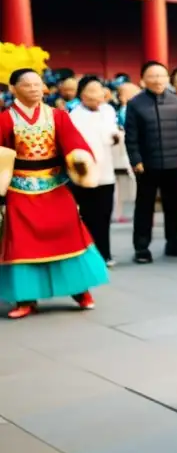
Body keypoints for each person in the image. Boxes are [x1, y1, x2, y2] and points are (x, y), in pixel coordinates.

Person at [0, 68, 108, 318]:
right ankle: (25, 298)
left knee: (69, 236)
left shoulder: (58, 116)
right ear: (14, 89)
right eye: (28, 85)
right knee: (22, 244)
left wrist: (79, 160)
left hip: (55, 186)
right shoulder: (5, 120)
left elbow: (74, 143)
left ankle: (80, 290)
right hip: (19, 188)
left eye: (38, 84)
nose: (35, 89)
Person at [124, 61, 177, 263]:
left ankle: (173, 241)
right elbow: (131, 137)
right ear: (143, 79)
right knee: (144, 207)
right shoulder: (136, 104)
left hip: (173, 164)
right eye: (153, 76)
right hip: (147, 165)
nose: (157, 80)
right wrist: (135, 160)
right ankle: (141, 247)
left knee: (173, 206)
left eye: (161, 76)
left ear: (167, 79)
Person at [69, 76, 121, 265]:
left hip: (106, 172)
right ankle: (87, 255)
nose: (97, 94)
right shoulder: (74, 115)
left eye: (99, 89)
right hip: (84, 173)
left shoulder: (108, 110)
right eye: (92, 90)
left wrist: (116, 137)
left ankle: (104, 253)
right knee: (87, 216)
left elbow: (112, 133)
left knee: (104, 215)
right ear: (81, 95)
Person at [112, 82, 139, 224]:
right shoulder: (124, 110)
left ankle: (120, 212)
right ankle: (118, 213)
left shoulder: (125, 109)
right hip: (122, 154)